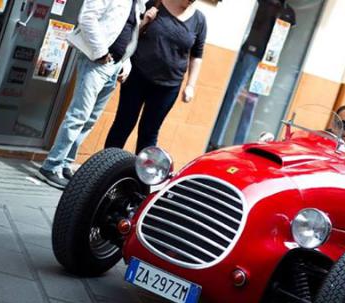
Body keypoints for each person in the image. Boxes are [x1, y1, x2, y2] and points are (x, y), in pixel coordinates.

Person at [37, 0, 147, 189]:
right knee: (79, 115)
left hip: (114, 65)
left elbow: (129, 33)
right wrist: (100, 52)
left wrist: (124, 62)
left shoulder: (137, 3)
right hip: (96, 61)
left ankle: (64, 164)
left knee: (89, 120)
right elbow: (87, 18)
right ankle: (51, 165)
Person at [104, 0, 206, 154]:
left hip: (169, 86)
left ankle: (142, 176)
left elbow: (197, 55)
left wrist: (190, 85)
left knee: (149, 133)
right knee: (123, 123)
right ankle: (105, 167)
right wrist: (144, 21)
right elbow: (131, 33)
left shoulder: (199, 20)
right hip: (137, 75)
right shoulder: (155, 3)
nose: (191, 2)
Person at [208, 0, 296, 150]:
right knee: (233, 95)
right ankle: (217, 140)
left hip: (267, 63)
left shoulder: (287, 12)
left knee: (250, 102)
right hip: (251, 53)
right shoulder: (263, 3)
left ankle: (238, 145)